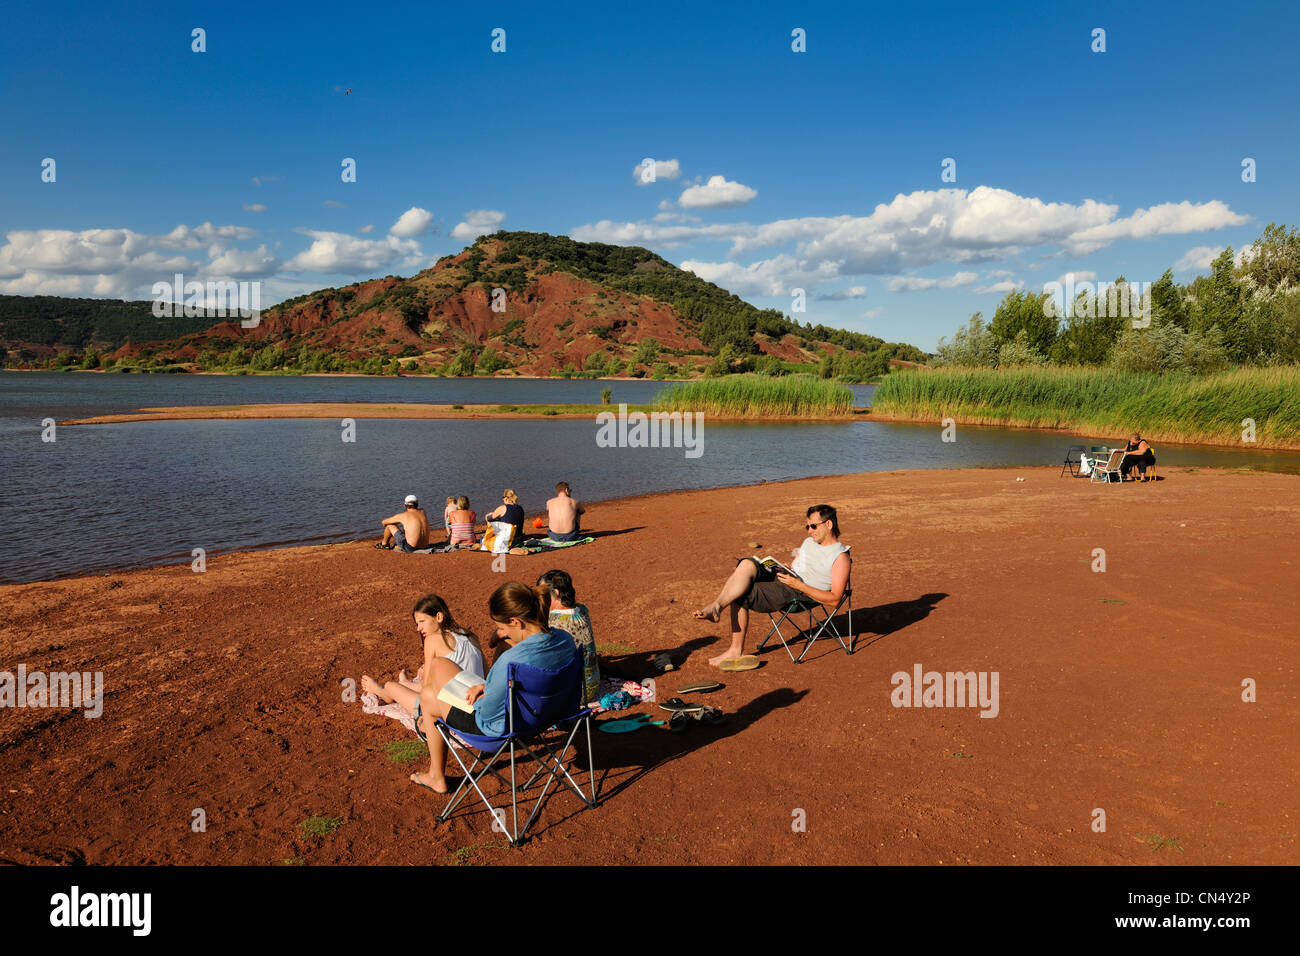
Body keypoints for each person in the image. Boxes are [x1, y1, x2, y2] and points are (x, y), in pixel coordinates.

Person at [369, 582, 580, 795]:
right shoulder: (565, 640)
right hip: (549, 715)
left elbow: (486, 713)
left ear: (516, 621)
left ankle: (436, 776)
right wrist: (488, 686)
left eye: (503, 629)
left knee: (430, 691)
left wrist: (476, 695)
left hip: (498, 730)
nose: (503, 634)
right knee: (435, 678)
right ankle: (434, 773)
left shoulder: (511, 661)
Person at [693, 504, 850, 667]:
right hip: (789, 578)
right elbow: (799, 565)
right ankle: (716, 607)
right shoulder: (809, 543)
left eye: (813, 526)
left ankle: (735, 650)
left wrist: (798, 585)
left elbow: (835, 600)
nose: (809, 530)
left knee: (742, 593)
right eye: (807, 526)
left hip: (800, 592)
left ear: (829, 524)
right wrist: (788, 568)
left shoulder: (840, 557)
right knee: (747, 563)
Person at [360, 594, 486, 792]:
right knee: (417, 678)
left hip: (451, 706)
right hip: (478, 704)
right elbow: (484, 675)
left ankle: (379, 691)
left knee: (392, 686)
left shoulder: (434, 640)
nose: (418, 628)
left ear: (438, 617)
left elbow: (427, 690)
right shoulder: (470, 635)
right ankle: (399, 684)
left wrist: (405, 684)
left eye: (421, 622)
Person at [538, 568, 600, 704]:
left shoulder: (551, 621)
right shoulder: (582, 610)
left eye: (542, 593)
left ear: (555, 593)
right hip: (592, 686)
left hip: (571, 695)